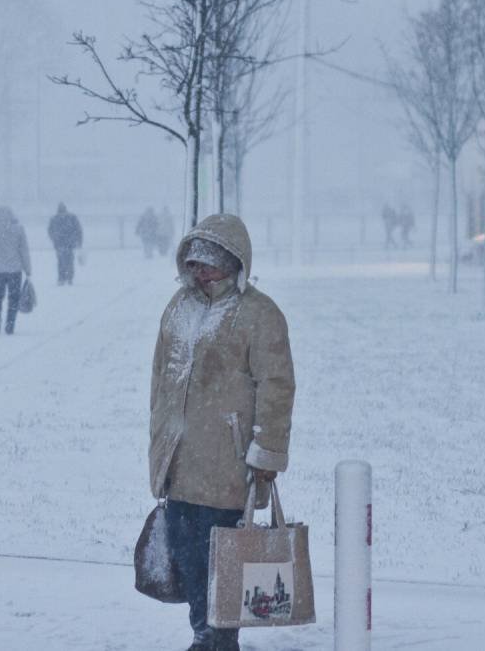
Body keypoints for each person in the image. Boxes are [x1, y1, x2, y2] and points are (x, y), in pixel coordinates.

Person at [148, 214, 296, 651]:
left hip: (228, 467)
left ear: (235, 261)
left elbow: (277, 386)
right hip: (180, 462)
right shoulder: (178, 308)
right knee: (190, 560)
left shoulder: (259, 314)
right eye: (195, 262)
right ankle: (204, 633)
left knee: (227, 563)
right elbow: (161, 379)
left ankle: (218, 638)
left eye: (211, 261)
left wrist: (266, 453)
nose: (202, 270)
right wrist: (158, 442)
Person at [0, 206, 31, 335]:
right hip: (14, 269)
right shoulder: (18, 229)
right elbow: (24, 250)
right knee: (13, 297)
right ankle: (10, 324)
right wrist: (28, 269)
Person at [47, 203, 83, 286]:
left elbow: (50, 231)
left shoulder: (55, 219)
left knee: (62, 261)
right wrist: (78, 241)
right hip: (66, 243)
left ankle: (63, 278)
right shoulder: (71, 218)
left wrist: (54, 239)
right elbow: (78, 230)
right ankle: (67, 277)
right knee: (67, 260)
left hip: (62, 244)